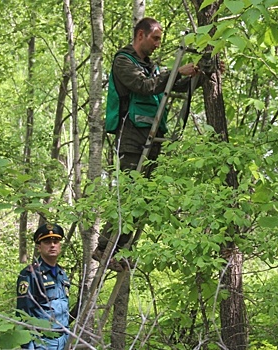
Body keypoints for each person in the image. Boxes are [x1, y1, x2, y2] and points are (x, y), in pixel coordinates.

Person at [93, 17, 201, 272]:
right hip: (130, 135)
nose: (157, 44)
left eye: (160, 39)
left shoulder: (151, 67)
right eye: (155, 38)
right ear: (140, 35)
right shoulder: (123, 61)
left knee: (143, 198)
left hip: (152, 136)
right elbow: (143, 87)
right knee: (130, 193)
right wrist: (175, 72)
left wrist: (200, 73)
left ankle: (120, 250)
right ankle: (104, 248)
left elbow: (172, 84)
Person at [16, 223, 71, 349]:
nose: (52, 245)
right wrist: (28, 346)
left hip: (64, 340)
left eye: (56, 241)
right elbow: (24, 314)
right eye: (47, 242)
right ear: (39, 247)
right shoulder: (30, 274)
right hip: (42, 342)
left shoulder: (62, 274)